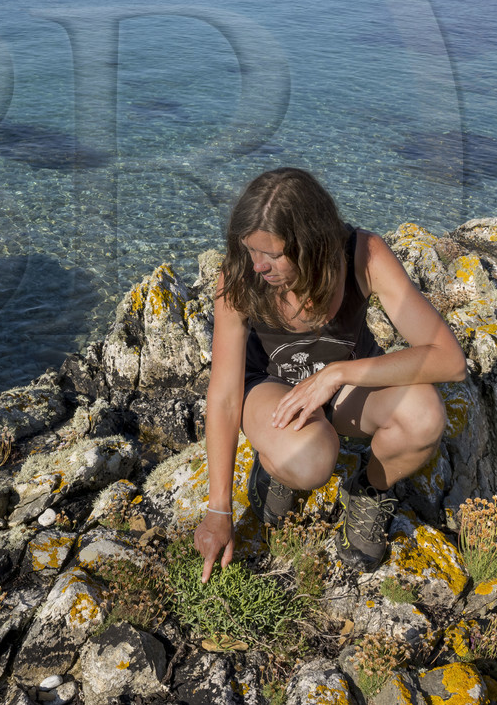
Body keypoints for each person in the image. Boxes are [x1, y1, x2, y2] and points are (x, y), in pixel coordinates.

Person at [193, 167, 464, 580]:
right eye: (250, 250)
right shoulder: (238, 278)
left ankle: (369, 489)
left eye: (273, 254)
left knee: (423, 416)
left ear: (313, 244)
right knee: (312, 460)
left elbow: (449, 359)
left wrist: (336, 374)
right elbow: (225, 395)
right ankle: (274, 462)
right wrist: (218, 509)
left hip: (345, 389)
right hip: (271, 390)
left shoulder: (363, 255)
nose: (258, 266)